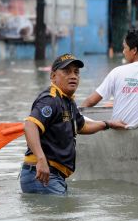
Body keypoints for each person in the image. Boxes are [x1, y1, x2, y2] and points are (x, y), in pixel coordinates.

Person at [20, 53, 127, 196]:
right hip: (43, 174)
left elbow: (82, 126)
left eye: (76, 72)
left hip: (53, 176)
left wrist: (107, 124)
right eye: (66, 71)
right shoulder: (50, 100)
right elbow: (30, 125)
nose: (73, 76)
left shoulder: (68, 102)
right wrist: (41, 159)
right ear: (53, 76)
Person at [81, 28, 138, 127]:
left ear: (134, 50)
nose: (123, 52)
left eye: (125, 48)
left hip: (119, 133)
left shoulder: (117, 73)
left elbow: (90, 101)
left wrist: (75, 118)